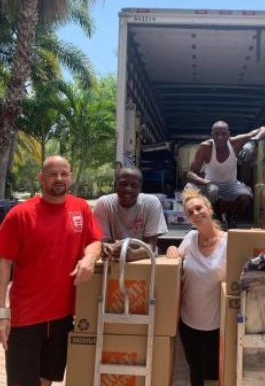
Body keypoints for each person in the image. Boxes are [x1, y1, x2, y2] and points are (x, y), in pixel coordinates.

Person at [0, 155, 102, 386]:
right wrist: (2, 313)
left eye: (64, 174)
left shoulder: (81, 208)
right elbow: (3, 262)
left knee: (47, 379)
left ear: (71, 177)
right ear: (41, 178)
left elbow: (95, 240)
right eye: (52, 174)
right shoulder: (20, 214)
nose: (59, 178)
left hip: (63, 317)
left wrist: (89, 257)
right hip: (26, 318)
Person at [166, 188, 227, 386]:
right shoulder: (190, 239)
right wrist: (171, 249)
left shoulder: (229, 242)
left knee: (213, 373)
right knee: (195, 370)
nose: (195, 213)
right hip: (188, 321)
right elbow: (176, 261)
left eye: (199, 208)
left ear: (210, 209)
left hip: (216, 323)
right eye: (190, 212)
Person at [186, 120, 265, 224]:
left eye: (223, 134)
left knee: (245, 197)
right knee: (190, 188)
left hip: (230, 185)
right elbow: (190, 174)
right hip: (210, 184)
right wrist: (208, 183)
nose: (220, 137)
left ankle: (231, 215)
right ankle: (212, 215)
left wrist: (253, 141)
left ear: (229, 134)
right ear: (212, 135)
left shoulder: (236, 142)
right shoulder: (206, 147)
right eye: (216, 134)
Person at [94, 166, 168, 260]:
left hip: (144, 260)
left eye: (134, 185)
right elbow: (102, 242)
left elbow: (151, 246)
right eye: (123, 184)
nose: (128, 189)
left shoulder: (151, 203)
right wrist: (107, 247)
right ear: (115, 185)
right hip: (113, 260)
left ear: (140, 188)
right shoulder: (104, 204)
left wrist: (133, 254)